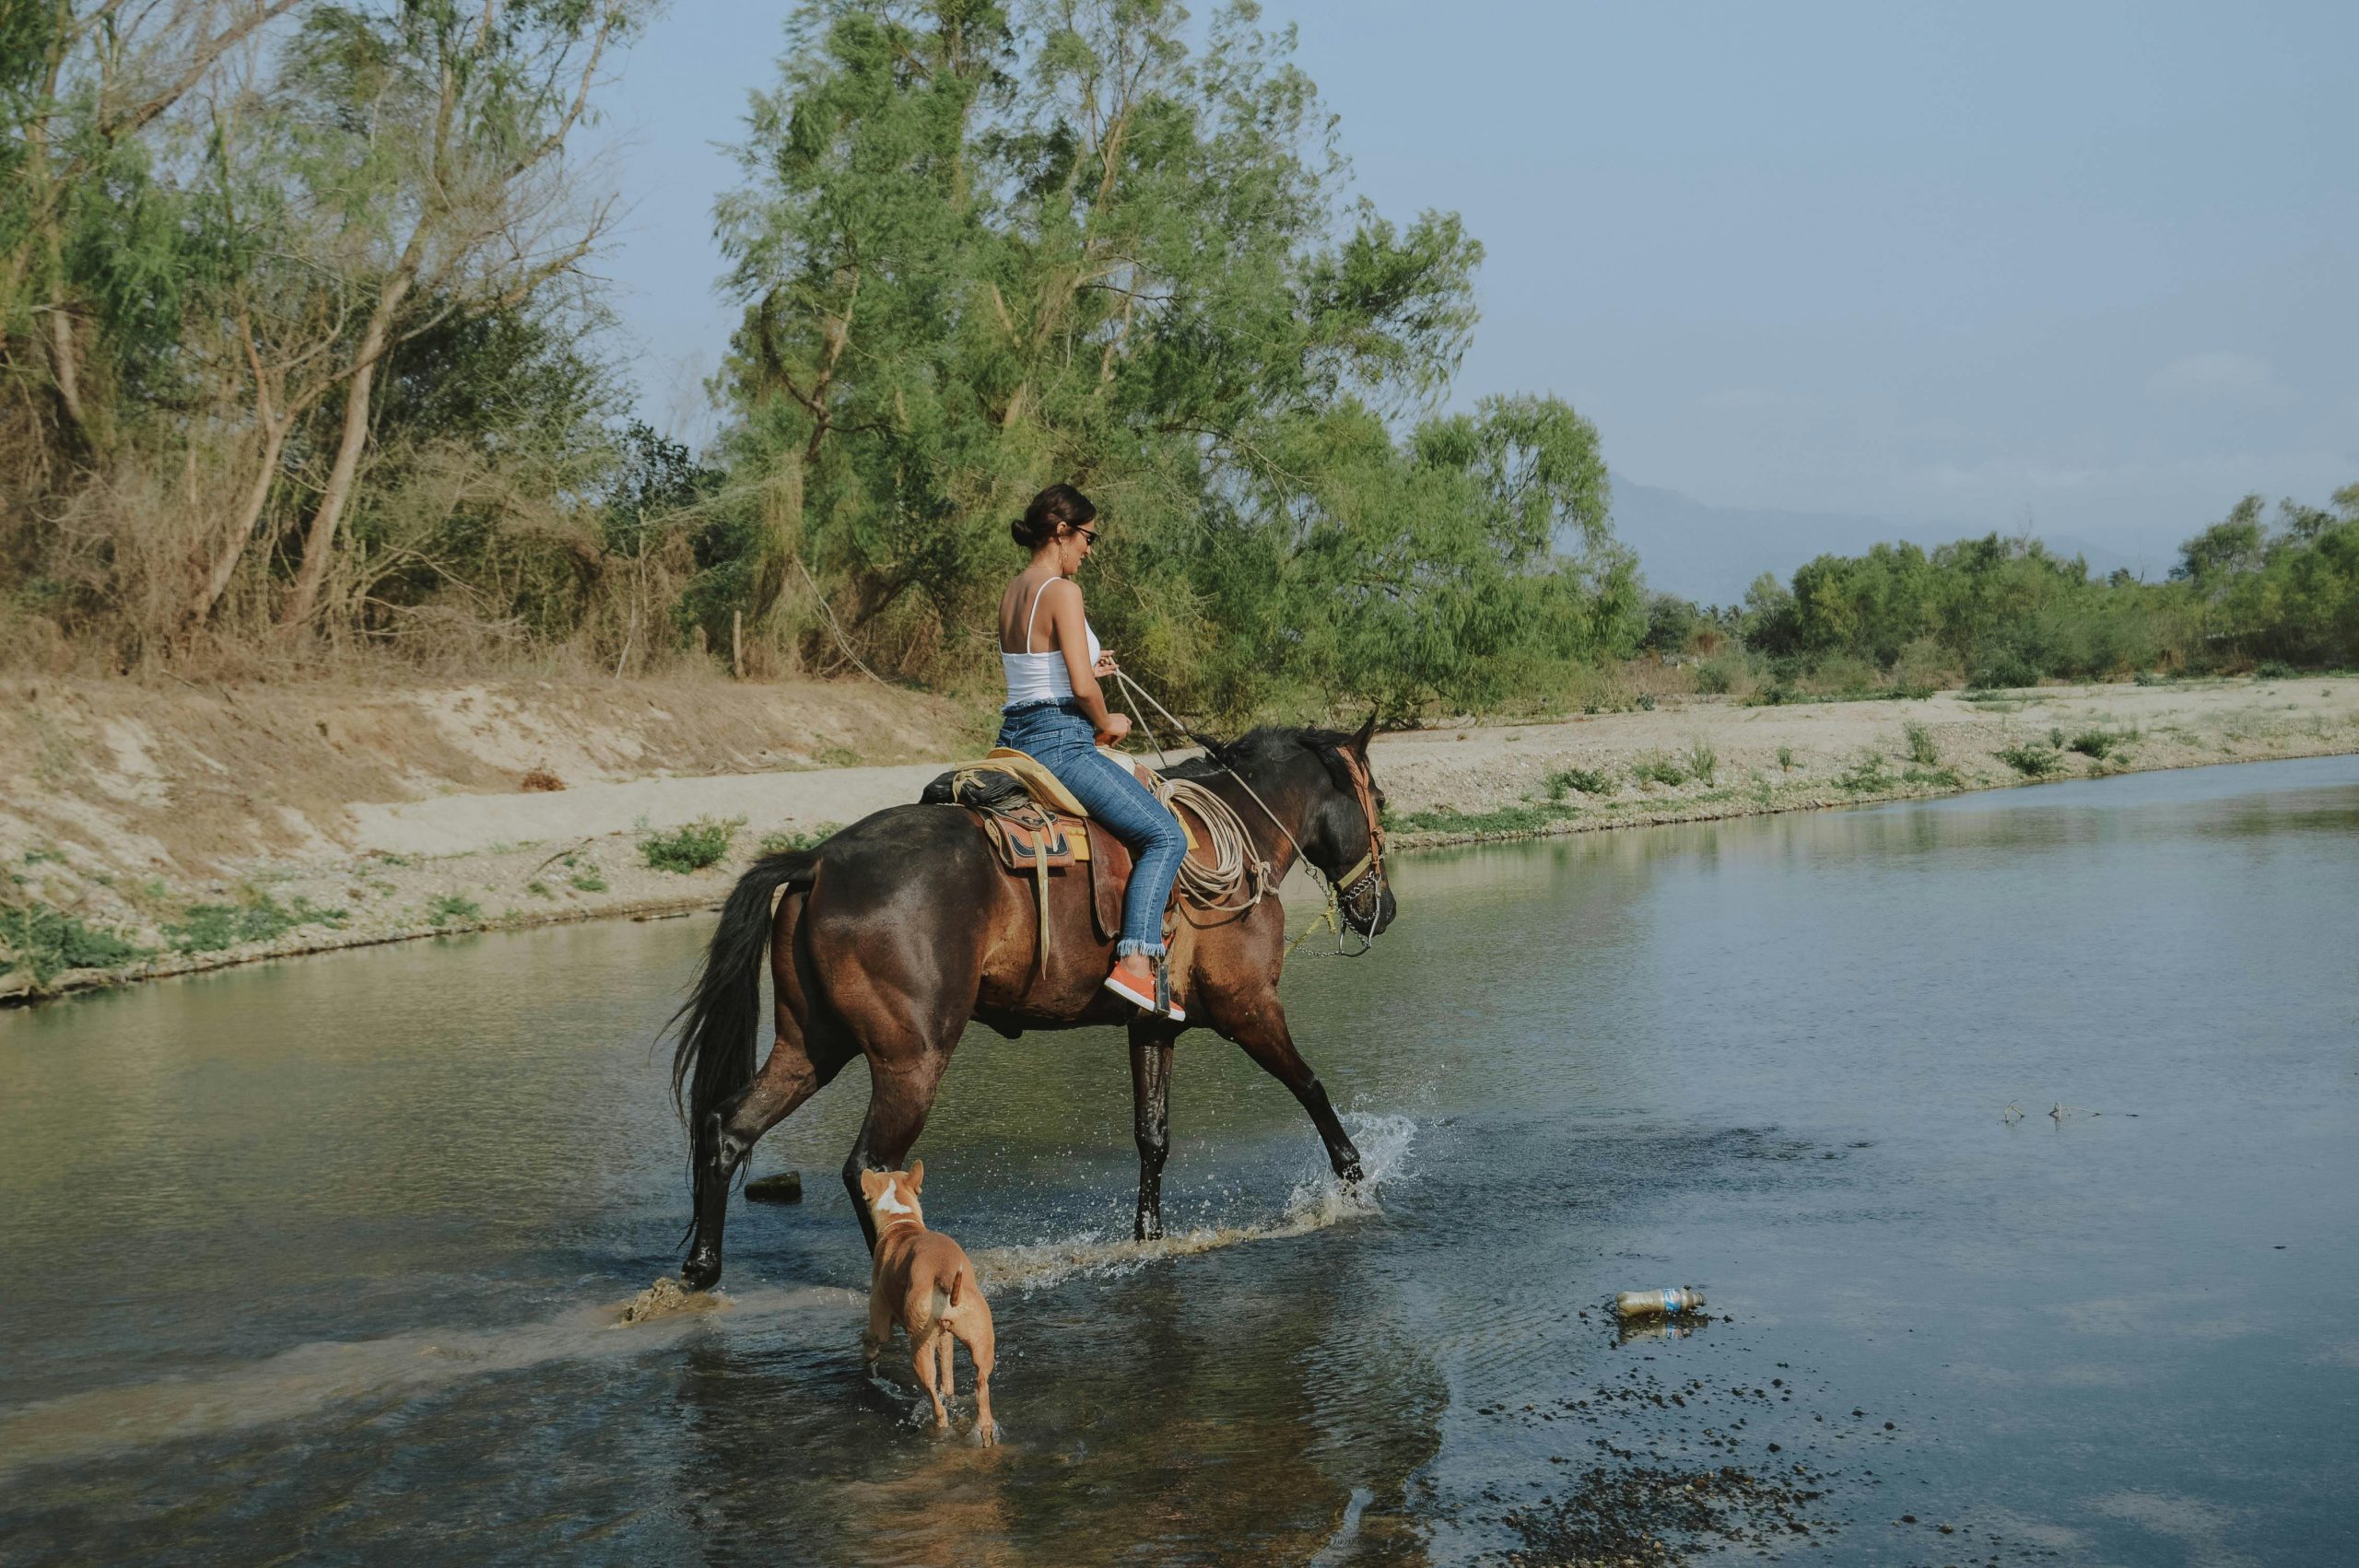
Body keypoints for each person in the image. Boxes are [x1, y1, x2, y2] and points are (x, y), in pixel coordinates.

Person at [995, 483, 1187, 1019]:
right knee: (1164, 835)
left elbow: (1040, 674)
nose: (1089, 549)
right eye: (1087, 537)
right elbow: (1081, 690)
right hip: (1059, 740)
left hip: (1015, 736)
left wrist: (1088, 673)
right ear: (1062, 531)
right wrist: (1109, 718)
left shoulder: (1015, 589)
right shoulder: (1062, 590)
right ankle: (1135, 963)